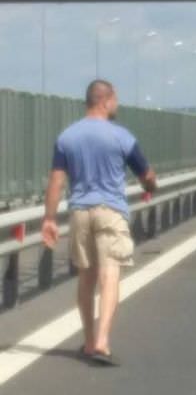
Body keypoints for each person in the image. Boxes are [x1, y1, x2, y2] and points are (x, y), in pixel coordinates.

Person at [41, 80, 157, 366]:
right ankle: (103, 342)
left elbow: (56, 180)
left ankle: (89, 341)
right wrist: (150, 185)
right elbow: (147, 175)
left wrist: (49, 219)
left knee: (86, 277)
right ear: (105, 100)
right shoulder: (121, 137)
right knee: (110, 274)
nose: (116, 104)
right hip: (110, 210)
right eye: (115, 99)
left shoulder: (67, 136)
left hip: (80, 211)